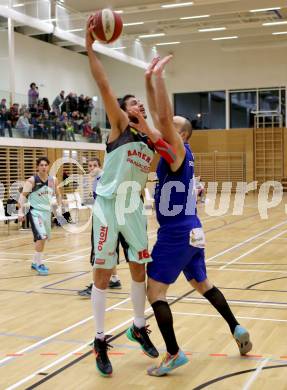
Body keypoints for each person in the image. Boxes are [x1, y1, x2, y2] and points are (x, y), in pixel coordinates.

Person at [143, 56, 252, 376]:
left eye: (172, 126)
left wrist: (160, 79)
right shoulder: (172, 149)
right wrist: (149, 80)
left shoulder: (177, 150)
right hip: (193, 230)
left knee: (155, 291)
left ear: (183, 135)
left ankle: (174, 353)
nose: (165, 126)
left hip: (176, 232)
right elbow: (157, 116)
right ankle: (236, 327)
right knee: (202, 283)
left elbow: (161, 117)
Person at [86, 19, 178, 377]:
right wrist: (91, 47)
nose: (138, 105)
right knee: (104, 274)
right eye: (133, 103)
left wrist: (151, 89)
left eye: (141, 103)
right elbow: (104, 85)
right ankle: (98, 339)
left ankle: (139, 326)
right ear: (123, 111)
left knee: (139, 268)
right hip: (109, 205)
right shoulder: (120, 126)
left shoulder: (149, 138)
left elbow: (167, 143)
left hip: (134, 207)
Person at [78, 157, 123, 298]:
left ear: (100, 166)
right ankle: (115, 279)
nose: (92, 168)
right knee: (109, 250)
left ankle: (95, 284)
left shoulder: (104, 177)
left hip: (105, 221)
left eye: (94, 165)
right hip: (105, 218)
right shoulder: (94, 181)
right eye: (89, 166)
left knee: (98, 252)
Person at [18, 157, 62, 276]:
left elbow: (58, 195)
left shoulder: (53, 180)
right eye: (41, 165)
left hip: (47, 213)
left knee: (42, 239)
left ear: (48, 167)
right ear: (37, 166)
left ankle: (34, 262)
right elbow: (22, 196)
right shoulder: (32, 180)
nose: (43, 167)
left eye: (45, 165)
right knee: (41, 237)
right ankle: (39, 264)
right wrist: (20, 212)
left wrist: (59, 208)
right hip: (35, 212)